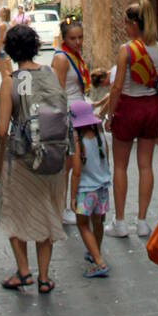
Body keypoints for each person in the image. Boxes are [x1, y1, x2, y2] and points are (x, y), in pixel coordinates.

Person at [0, 23, 69, 294]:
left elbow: (2, 130)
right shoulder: (50, 74)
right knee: (46, 214)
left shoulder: (11, 82)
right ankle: (45, 278)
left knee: (14, 213)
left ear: (11, 52)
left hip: (22, 161)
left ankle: (24, 271)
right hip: (51, 157)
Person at [103, 0, 158, 239]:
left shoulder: (126, 50)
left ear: (133, 24)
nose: (124, 27)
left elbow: (117, 86)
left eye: (125, 23)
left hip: (129, 106)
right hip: (151, 106)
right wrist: (156, 107)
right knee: (145, 165)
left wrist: (110, 114)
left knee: (120, 165)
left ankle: (120, 222)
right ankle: (142, 222)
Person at [52, 18, 93, 225]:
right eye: (73, 38)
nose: (78, 42)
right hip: (69, 116)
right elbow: (58, 92)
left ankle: (69, 205)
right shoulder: (61, 59)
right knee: (71, 166)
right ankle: (66, 207)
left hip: (81, 114)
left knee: (73, 165)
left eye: (80, 38)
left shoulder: (75, 56)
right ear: (64, 38)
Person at [68, 100, 111, 277]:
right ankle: (96, 251)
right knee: (98, 221)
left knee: (83, 224)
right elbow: (106, 159)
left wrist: (72, 196)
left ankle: (99, 262)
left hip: (86, 189)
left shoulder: (78, 141)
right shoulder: (100, 136)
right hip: (102, 187)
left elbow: (76, 172)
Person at [0, 6, 11, 72]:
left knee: (4, 70)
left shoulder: (3, 25)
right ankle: (10, 80)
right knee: (6, 69)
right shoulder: (6, 24)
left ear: (4, 13)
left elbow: (0, 39)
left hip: (2, 50)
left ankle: (9, 81)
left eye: (0, 10)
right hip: (5, 50)